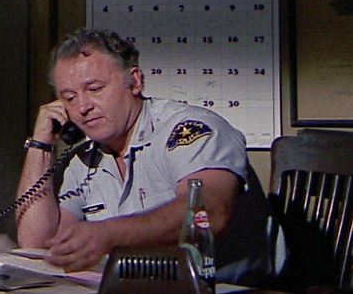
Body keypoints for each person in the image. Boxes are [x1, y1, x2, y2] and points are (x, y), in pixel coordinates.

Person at [15, 28, 271, 286]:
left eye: (95, 89)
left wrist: (111, 235)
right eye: (69, 98)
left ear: (135, 82)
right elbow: (37, 243)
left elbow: (210, 212)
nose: (83, 107)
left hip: (221, 287)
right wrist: (40, 145)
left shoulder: (187, 129)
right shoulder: (83, 159)